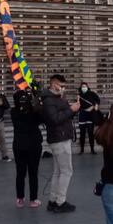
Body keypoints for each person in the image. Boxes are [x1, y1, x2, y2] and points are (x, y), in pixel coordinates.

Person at [41, 74, 81, 213]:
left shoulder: (58, 98)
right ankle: (60, 202)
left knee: (58, 171)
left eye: (64, 86)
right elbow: (55, 119)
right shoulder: (49, 100)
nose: (63, 88)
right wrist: (71, 110)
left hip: (61, 137)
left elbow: (64, 115)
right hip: (59, 138)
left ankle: (53, 200)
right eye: (61, 85)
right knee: (66, 171)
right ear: (54, 84)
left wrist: (73, 109)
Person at [11, 88, 44, 208]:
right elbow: (42, 117)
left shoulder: (13, 111)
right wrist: (36, 100)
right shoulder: (33, 111)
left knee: (20, 173)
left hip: (19, 145)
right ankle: (33, 199)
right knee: (33, 173)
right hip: (33, 145)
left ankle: (20, 199)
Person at [78, 82, 101, 154]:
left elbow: (98, 100)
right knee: (82, 133)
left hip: (90, 115)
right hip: (82, 115)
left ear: (87, 87)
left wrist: (95, 105)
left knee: (91, 133)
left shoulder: (91, 93)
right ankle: (82, 150)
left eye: (85, 86)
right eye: (82, 87)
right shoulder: (79, 95)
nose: (84, 88)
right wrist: (78, 100)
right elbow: (78, 106)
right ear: (81, 88)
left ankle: (92, 150)